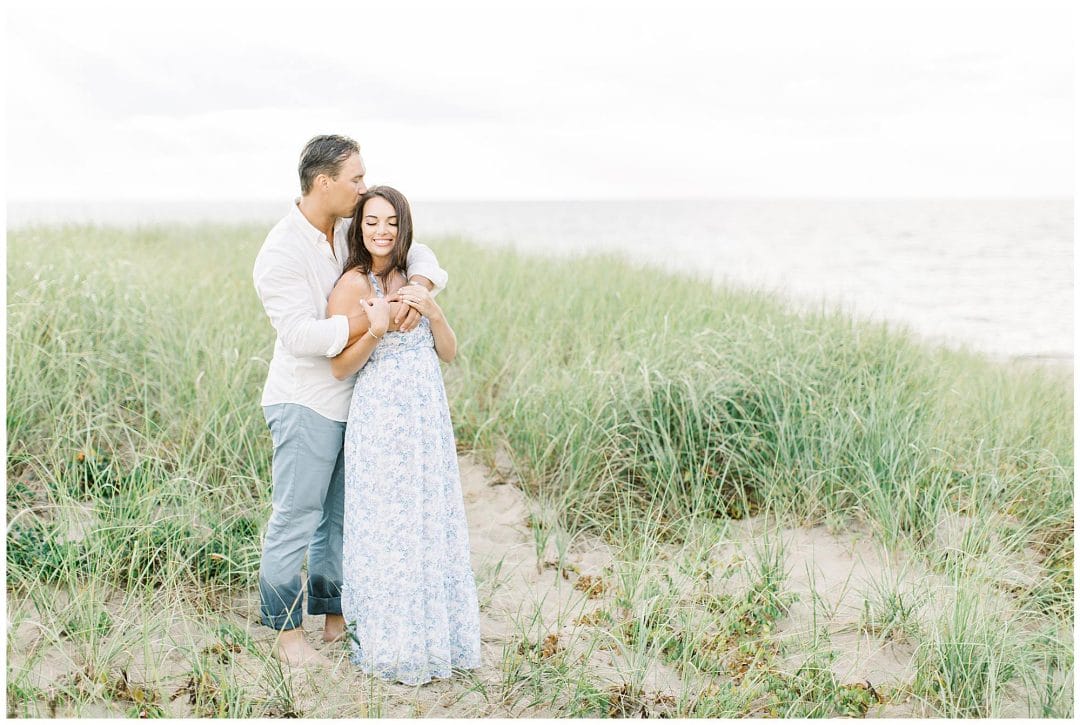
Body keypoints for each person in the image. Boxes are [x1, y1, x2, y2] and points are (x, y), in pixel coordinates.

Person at [252, 135, 448, 667]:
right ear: (325, 183)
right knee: (296, 517)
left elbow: (415, 248)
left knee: (338, 520)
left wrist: (419, 287)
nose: (363, 187)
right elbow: (299, 335)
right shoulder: (281, 251)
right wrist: (375, 316)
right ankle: (289, 641)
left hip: (354, 404)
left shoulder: (343, 227)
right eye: (356, 179)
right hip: (305, 401)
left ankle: (334, 620)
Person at [327, 186, 481, 685]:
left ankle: (435, 634)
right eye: (371, 221)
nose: (381, 231)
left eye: (391, 221)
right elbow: (338, 368)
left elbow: (450, 352)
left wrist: (434, 310)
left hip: (426, 417)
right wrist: (373, 331)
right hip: (380, 419)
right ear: (359, 227)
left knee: (427, 519)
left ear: (403, 226)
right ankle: (391, 641)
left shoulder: (417, 278)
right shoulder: (353, 284)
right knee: (387, 526)